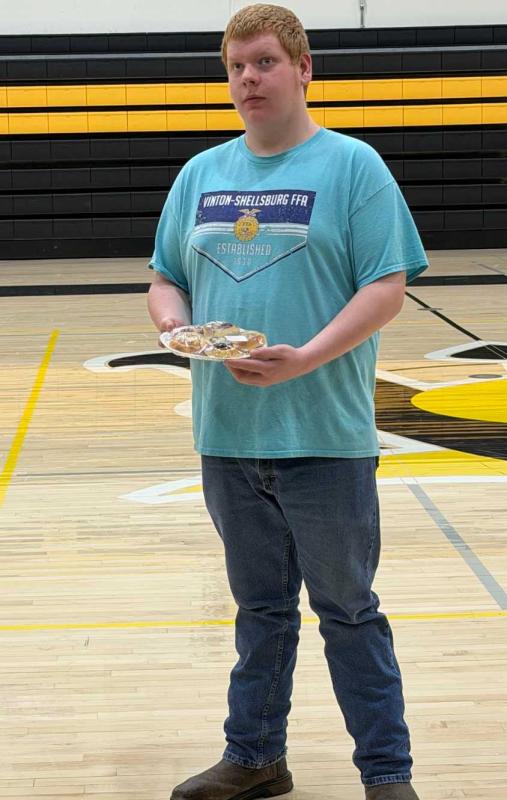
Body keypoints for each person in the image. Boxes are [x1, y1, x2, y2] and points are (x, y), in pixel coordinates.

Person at [147, 5, 428, 799]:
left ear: (304, 69)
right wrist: (174, 327)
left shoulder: (353, 167)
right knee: (259, 611)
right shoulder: (201, 174)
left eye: (265, 62)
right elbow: (165, 274)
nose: (247, 79)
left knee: (347, 611)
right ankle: (255, 758)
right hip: (228, 436)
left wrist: (304, 358)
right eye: (236, 66)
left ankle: (386, 775)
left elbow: (386, 286)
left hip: (325, 437)